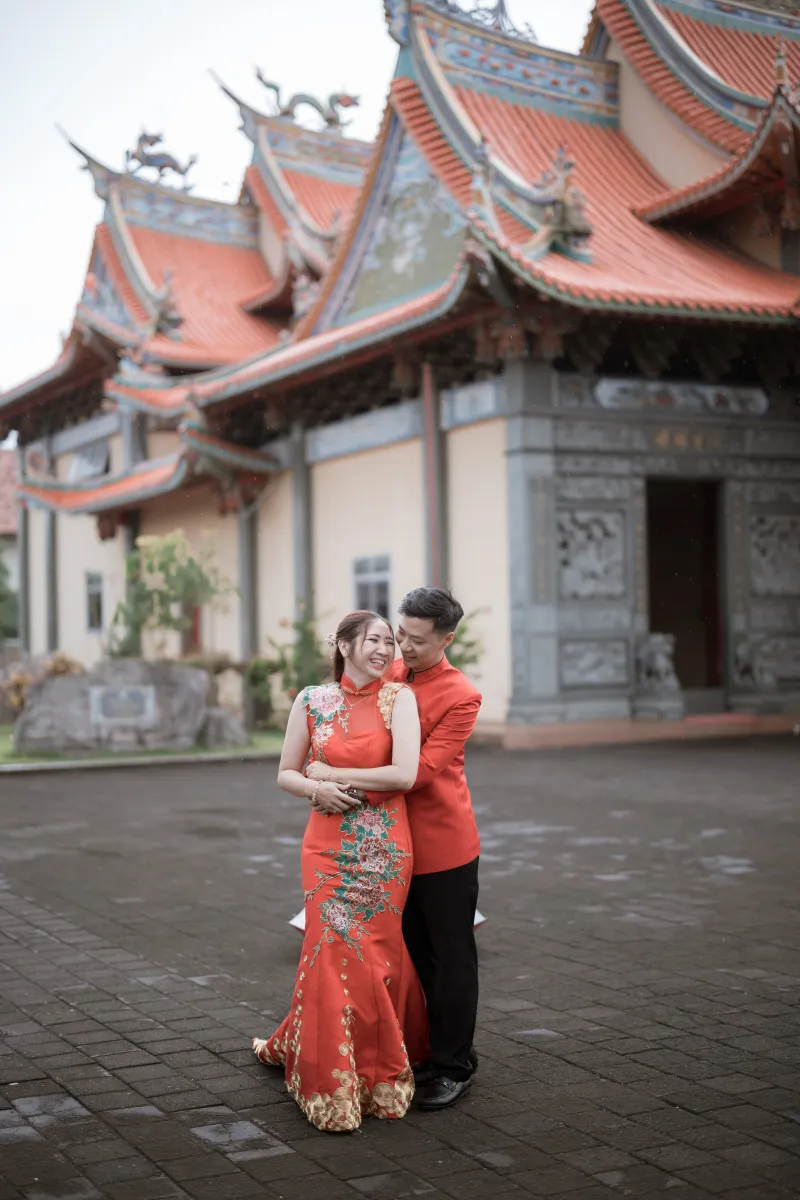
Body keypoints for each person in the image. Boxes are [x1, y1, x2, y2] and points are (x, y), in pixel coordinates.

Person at [252, 611, 428, 1133]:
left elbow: (404, 774)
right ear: (345, 645)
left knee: (373, 954)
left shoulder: (400, 698)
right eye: (374, 639)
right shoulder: (311, 700)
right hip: (326, 848)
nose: (385, 650)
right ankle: (330, 1078)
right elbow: (286, 773)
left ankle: (375, 1070)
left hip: (382, 849)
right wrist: (316, 788)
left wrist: (331, 771)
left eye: (390, 642)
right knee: (328, 949)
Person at [313, 587, 482, 1111]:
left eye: (415, 640)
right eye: (399, 633)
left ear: (446, 639)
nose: (401, 648)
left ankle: (455, 1066)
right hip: (384, 845)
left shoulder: (462, 695)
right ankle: (420, 1049)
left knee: (449, 959)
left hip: (441, 844)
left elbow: (420, 772)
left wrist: (334, 779)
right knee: (406, 956)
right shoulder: (389, 672)